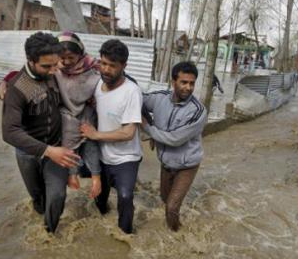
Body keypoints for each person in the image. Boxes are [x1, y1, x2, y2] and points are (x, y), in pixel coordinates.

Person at [2, 32, 80, 233]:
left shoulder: (54, 72)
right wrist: (47, 150)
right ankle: (39, 221)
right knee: (38, 198)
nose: (54, 71)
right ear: (31, 61)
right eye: (47, 66)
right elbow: (9, 132)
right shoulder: (17, 88)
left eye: (56, 64)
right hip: (29, 153)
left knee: (57, 196)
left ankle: (49, 233)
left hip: (56, 147)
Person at [80, 39, 143, 234]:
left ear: (124, 66)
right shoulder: (98, 83)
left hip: (126, 158)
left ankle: (126, 233)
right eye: (103, 63)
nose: (106, 70)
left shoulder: (131, 91)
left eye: (112, 66)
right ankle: (103, 220)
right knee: (100, 198)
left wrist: (95, 134)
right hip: (102, 156)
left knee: (124, 196)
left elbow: (128, 132)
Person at [141, 61, 208, 231]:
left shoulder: (198, 111)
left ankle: (176, 236)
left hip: (187, 165)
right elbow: (136, 99)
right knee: (164, 199)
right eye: (183, 82)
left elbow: (174, 139)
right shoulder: (159, 98)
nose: (188, 87)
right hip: (166, 163)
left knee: (171, 207)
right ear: (173, 82)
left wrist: (148, 128)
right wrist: (149, 120)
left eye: (192, 83)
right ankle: (167, 231)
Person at [55, 31, 102, 199]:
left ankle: (96, 177)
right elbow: (24, 73)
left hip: (87, 111)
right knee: (69, 138)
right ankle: (72, 174)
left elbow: (115, 78)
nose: (67, 62)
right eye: (62, 58)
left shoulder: (94, 68)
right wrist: (7, 80)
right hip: (66, 114)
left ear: (80, 53)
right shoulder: (53, 69)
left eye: (71, 58)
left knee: (90, 140)